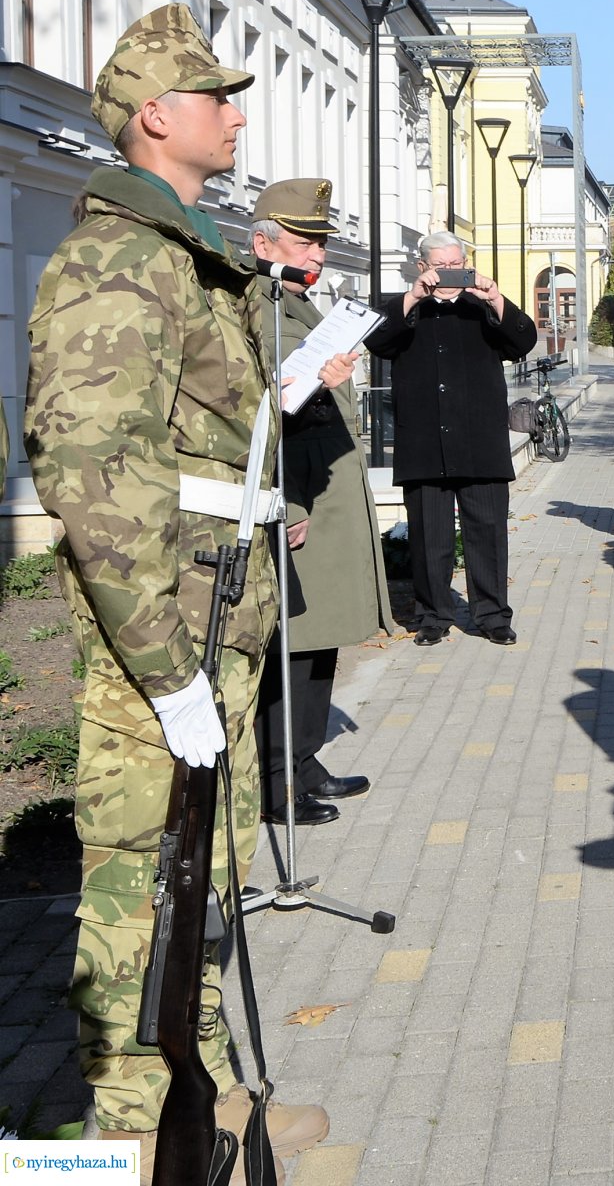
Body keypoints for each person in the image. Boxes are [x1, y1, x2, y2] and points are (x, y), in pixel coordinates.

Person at [24, 2, 327, 1178]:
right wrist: (164, 664)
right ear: (158, 116)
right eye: (217, 97)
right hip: (170, 634)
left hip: (219, 619)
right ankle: (121, 1140)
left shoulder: (189, 247)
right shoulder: (119, 255)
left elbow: (199, 440)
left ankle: (196, 1102)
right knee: (136, 885)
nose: (237, 115)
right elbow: (91, 472)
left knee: (202, 872)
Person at [249, 178, 387, 829]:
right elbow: (264, 413)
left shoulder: (298, 301)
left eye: (321, 241)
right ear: (264, 241)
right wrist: (291, 505)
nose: (317, 252)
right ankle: (275, 781)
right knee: (294, 644)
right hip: (298, 495)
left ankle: (304, 763)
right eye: (304, 239)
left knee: (322, 634)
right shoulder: (263, 304)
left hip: (322, 495)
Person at [366, 232, 538, 647]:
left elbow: (523, 340)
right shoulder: (406, 310)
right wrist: (412, 297)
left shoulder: (483, 308)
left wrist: (496, 296)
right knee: (430, 537)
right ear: (422, 265)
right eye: (441, 265)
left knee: (487, 533)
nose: (451, 272)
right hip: (424, 443)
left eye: (458, 262)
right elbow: (376, 340)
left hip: (480, 441)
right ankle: (432, 616)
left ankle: (493, 615)